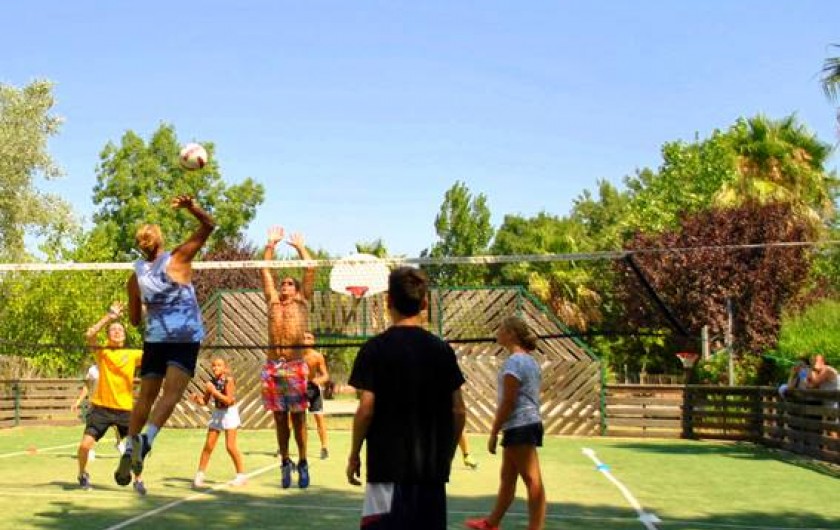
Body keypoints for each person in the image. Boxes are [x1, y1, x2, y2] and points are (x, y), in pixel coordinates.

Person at [346, 266, 466, 530]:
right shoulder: (442, 350)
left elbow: (366, 409)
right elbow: (458, 411)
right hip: (430, 474)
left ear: (388, 301)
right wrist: (446, 456)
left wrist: (354, 454)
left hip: (383, 473)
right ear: (424, 304)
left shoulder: (373, 349)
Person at [114, 195, 215, 487]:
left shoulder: (135, 277)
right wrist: (192, 207)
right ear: (161, 241)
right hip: (184, 337)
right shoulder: (177, 259)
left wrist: (152, 302)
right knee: (170, 395)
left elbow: (135, 320)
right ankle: (147, 439)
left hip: (155, 338)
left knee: (145, 397)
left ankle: (129, 447)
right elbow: (209, 226)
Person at [466, 315, 546, 530]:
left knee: (532, 480)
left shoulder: (514, 362)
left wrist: (494, 432)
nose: (497, 333)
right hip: (523, 425)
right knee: (508, 478)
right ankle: (491, 523)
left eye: (501, 329)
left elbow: (509, 401)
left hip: (520, 425)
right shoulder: (530, 361)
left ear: (511, 334)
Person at [260, 226, 315, 488]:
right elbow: (264, 270)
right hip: (273, 366)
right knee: (279, 417)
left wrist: (300, 248)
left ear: (297, 289)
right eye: (283, 283)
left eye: (290, 283)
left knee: (298, 417)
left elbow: (310, 269)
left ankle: (303, 461)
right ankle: (284, 461)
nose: (285, 286)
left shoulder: (302, 301)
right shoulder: (272, 301)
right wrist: (270, 245)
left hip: (295, 366)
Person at [76, 302, 145, 493]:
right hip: (101, 409)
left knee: (136, 447)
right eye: (113, 329)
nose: (116, 331)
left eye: (120, 329)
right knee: (85, 446)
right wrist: (109, 317)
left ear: (124, 335)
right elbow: (89, 335)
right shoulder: (103, 353)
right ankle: (82, 474)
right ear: (108, 335)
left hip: (125, 410)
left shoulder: (133, 354)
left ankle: (138, 480)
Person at [189, 357, 247, 488]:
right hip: (217, 413)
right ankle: (200, 475)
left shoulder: (229, 380)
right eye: (214, 366)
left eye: (219, 365)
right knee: (208, 446)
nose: (215, 368)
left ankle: (241, 476)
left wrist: (213, 391)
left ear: (225, 368)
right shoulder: (211, 382)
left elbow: (228, 400)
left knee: (230, 446)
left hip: (229, 413)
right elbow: (204, 401)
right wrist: (196, 399)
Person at [72, 363, 125, 460]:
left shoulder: (111, 368)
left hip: (110, 402)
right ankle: (89, 449)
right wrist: (78, 401)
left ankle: (119, 443)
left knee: (117, 425)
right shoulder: (93, 370)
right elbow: (87, 386)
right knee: (93, 427)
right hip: (97, 403)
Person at [303, 331, 331, 460]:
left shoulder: (317, 356)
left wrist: (318, 381)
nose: (306, 340)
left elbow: (325, 375)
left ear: (313, 341)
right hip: (298, 388)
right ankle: (283, 448)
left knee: (319, 417)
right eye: (304, 338)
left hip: (312, 388)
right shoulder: (295, 355)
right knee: (292, 419)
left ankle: (324, 447)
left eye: (309, 338)